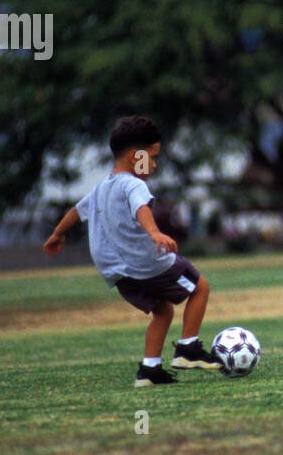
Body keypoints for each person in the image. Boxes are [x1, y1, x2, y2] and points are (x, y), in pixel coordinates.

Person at [43, 115, 223, 386]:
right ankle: (188, 348)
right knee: (200, 288)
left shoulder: (101, 187)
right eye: (151, 157)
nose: (154, 164)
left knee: (162, 311)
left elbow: (76, 212)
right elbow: (142, 209)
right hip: (146, 264)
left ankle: (149, 370)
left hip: (117, 273)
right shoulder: (133, 184)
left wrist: (57, 234)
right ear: (134, 156)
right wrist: (154, 232)